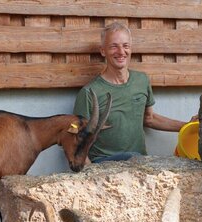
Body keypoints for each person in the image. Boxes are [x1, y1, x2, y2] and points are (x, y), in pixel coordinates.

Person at [74, 22, 189, 163]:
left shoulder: (142, 80)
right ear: (103, 51)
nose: (121, 52)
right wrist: (91, 173)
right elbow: (76, 141)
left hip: (138, 162)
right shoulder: (89, 93)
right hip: (104, 163)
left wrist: (188, 126)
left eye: (125, 46)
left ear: (131, 49)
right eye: (114, 46)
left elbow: (149, 119)